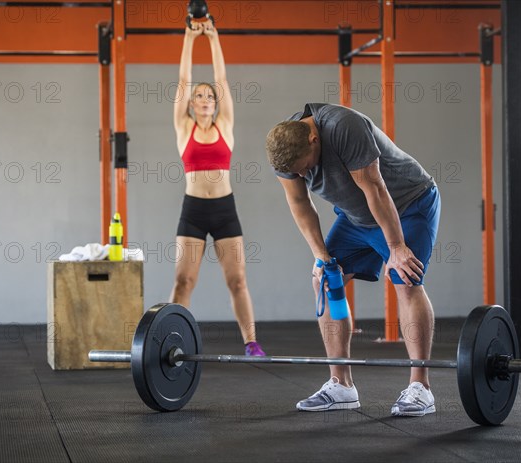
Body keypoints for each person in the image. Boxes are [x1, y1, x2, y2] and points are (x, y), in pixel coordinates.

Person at [265, 103, 441, 416]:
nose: (304, 175)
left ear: (313, 140)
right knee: (325, 279)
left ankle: (420, 387)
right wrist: (321, 255)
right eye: (297, 173)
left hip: (407, 204)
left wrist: (396, 246)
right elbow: (299, 204)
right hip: (356, 217)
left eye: (305, 168)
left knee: (406, 279)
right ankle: (341, 384)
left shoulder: (344, 127)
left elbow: (375, 189)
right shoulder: (286, 152)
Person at [171, 20, 266, 356]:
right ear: (192, 105)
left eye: (209, 96)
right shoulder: (184, 128)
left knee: (237, 281)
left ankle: (251, 342)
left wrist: (213, 38)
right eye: (199, 96)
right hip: (194, 211)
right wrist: (189, 38)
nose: (205, 98)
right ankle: (172, 341)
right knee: (184, 283)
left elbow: (222, 80)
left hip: (225, 210)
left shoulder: (225, 125)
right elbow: (183, 80)